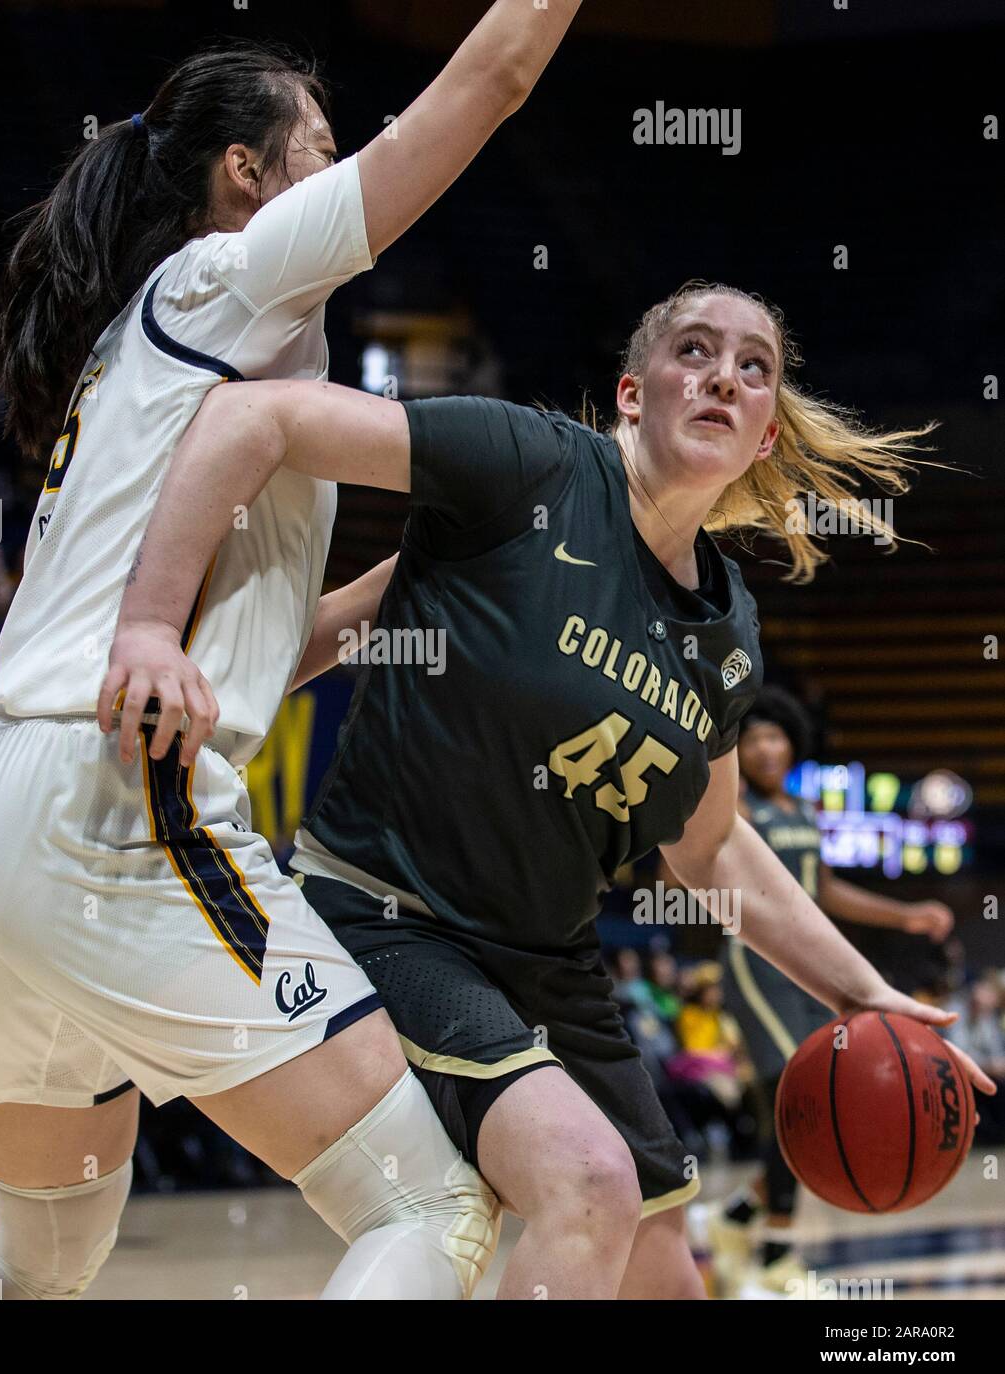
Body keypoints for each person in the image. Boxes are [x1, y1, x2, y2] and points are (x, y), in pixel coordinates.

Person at [113, 280, 998, 1299]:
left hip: (549, 966)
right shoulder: (527, 463)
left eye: (754, 368)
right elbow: (255, 416)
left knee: (666, 1276)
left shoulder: (727, 635)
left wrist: (858, 989)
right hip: (392, 912)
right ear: (632, 392)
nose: (723, 375)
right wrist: (150, 632)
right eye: (695, 351)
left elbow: (710, 848)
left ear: (762, 438)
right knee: (587, 1187)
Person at [0, 7, 583, 1303]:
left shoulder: (144, 346)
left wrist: (453, 556)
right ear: (247, 173)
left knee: (36, 1255)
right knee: (432, 1205)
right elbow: (493, 78)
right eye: (323, 146)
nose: (343, 168)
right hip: (105, 802)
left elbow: (260, 657)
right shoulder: (231, 278)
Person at [706, 685, 957, 1296]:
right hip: (753, 963)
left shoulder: (802, 812)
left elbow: (824, 895)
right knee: (801, 1101)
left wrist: (905, 916)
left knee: (813, 1107)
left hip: (805, 969)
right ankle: (775, 1258)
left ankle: (735, 1218)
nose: (765, 747)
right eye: (753, 737)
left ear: (793, 743)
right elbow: (682, 868)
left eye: (775, 735)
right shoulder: (732, 806)